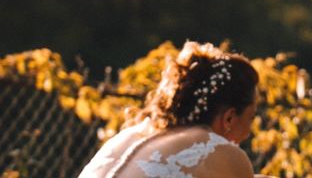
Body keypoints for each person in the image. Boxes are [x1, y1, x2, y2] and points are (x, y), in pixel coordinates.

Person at [78, 41, 272, 178]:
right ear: (229, 118)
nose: (248, 133)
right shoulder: (222, 151)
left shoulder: (133, 135)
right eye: (250, 118)